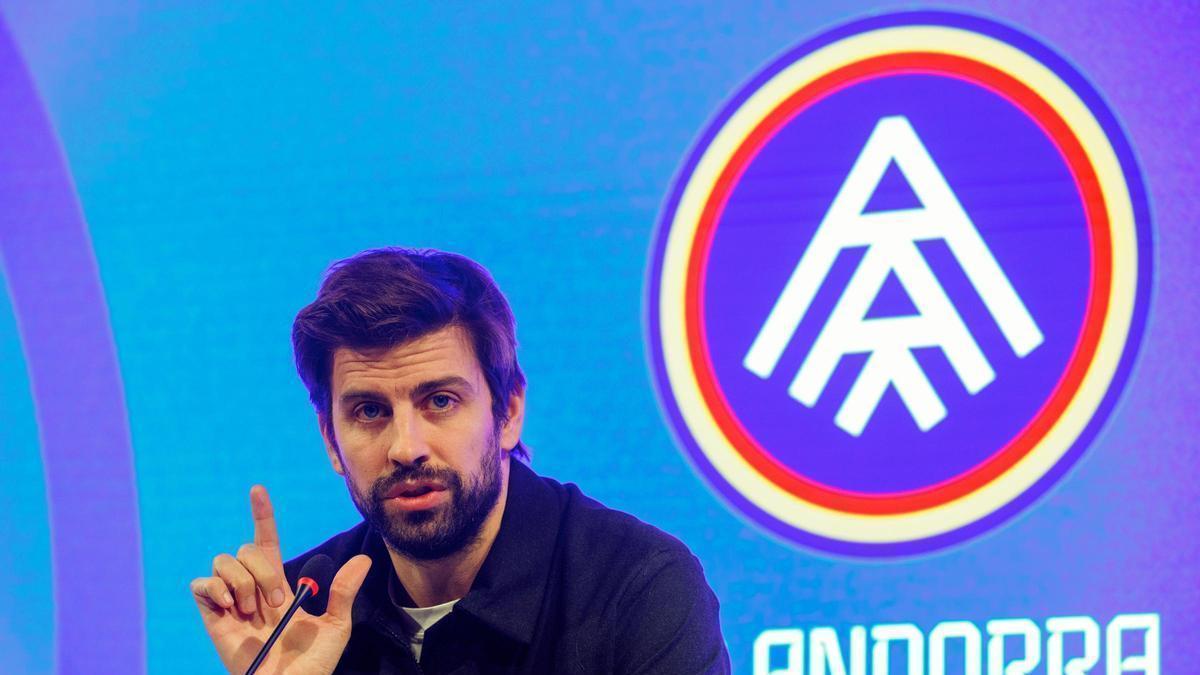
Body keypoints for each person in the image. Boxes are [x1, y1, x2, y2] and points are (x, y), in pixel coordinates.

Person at [190, 248, 730, 674]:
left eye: (440, 401)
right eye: (370, 411)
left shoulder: (636, 589)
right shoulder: (298, 613)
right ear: (331, 439)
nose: (406, 447)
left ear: (508, 411)